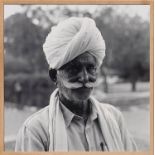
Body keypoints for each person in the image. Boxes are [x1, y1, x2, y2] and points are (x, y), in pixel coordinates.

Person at [15, 17, 137, 152]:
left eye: (90, 68)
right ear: (54, 75)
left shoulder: (114, 117)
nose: (84, 77)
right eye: (74, 68)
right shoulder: (36, 130)